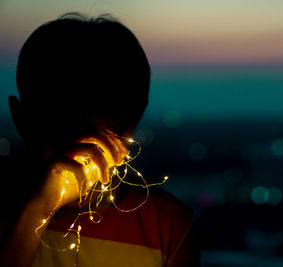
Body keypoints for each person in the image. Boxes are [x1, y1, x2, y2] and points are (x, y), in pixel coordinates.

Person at [0, 12, 198, 267]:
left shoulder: (168, 224)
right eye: (64, 127)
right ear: (22, 119)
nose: (81, 154)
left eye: (103, 134)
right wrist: (38, 209)